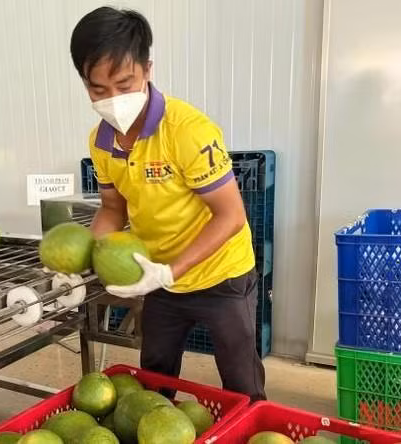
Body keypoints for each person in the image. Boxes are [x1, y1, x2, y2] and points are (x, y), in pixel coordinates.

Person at [69, 6, 266, 402]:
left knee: (241, 380)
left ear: (147, 69)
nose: (113, 99)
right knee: (154, 379)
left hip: (220, 274)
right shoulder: (100, 139)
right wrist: (84, 266)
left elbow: (230, 215)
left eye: (125, 84)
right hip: (157, 275)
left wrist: (169, 272)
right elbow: (112, 208)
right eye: (98, 90)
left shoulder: (188, 131)